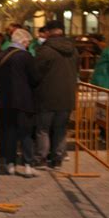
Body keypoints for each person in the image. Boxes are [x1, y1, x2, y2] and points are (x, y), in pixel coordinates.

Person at [0, 29, 39, 177]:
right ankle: (27, 165)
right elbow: (35, 78)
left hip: (4, 101)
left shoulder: (0, 56)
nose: (28, 45)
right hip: (23, 101)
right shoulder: (26, 57)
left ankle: (10, 164)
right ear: (24, 42)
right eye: (28, 43)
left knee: (9, 132)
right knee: (25, 133)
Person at [34, 20, 79, 169]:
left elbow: (36, 73)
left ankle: (41, 158)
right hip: (67, 96)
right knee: (60, 128)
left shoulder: (44, 50)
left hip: (47, 95)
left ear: (48, 32)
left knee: (43, 128)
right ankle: (57, 159)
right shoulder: (73, 50)